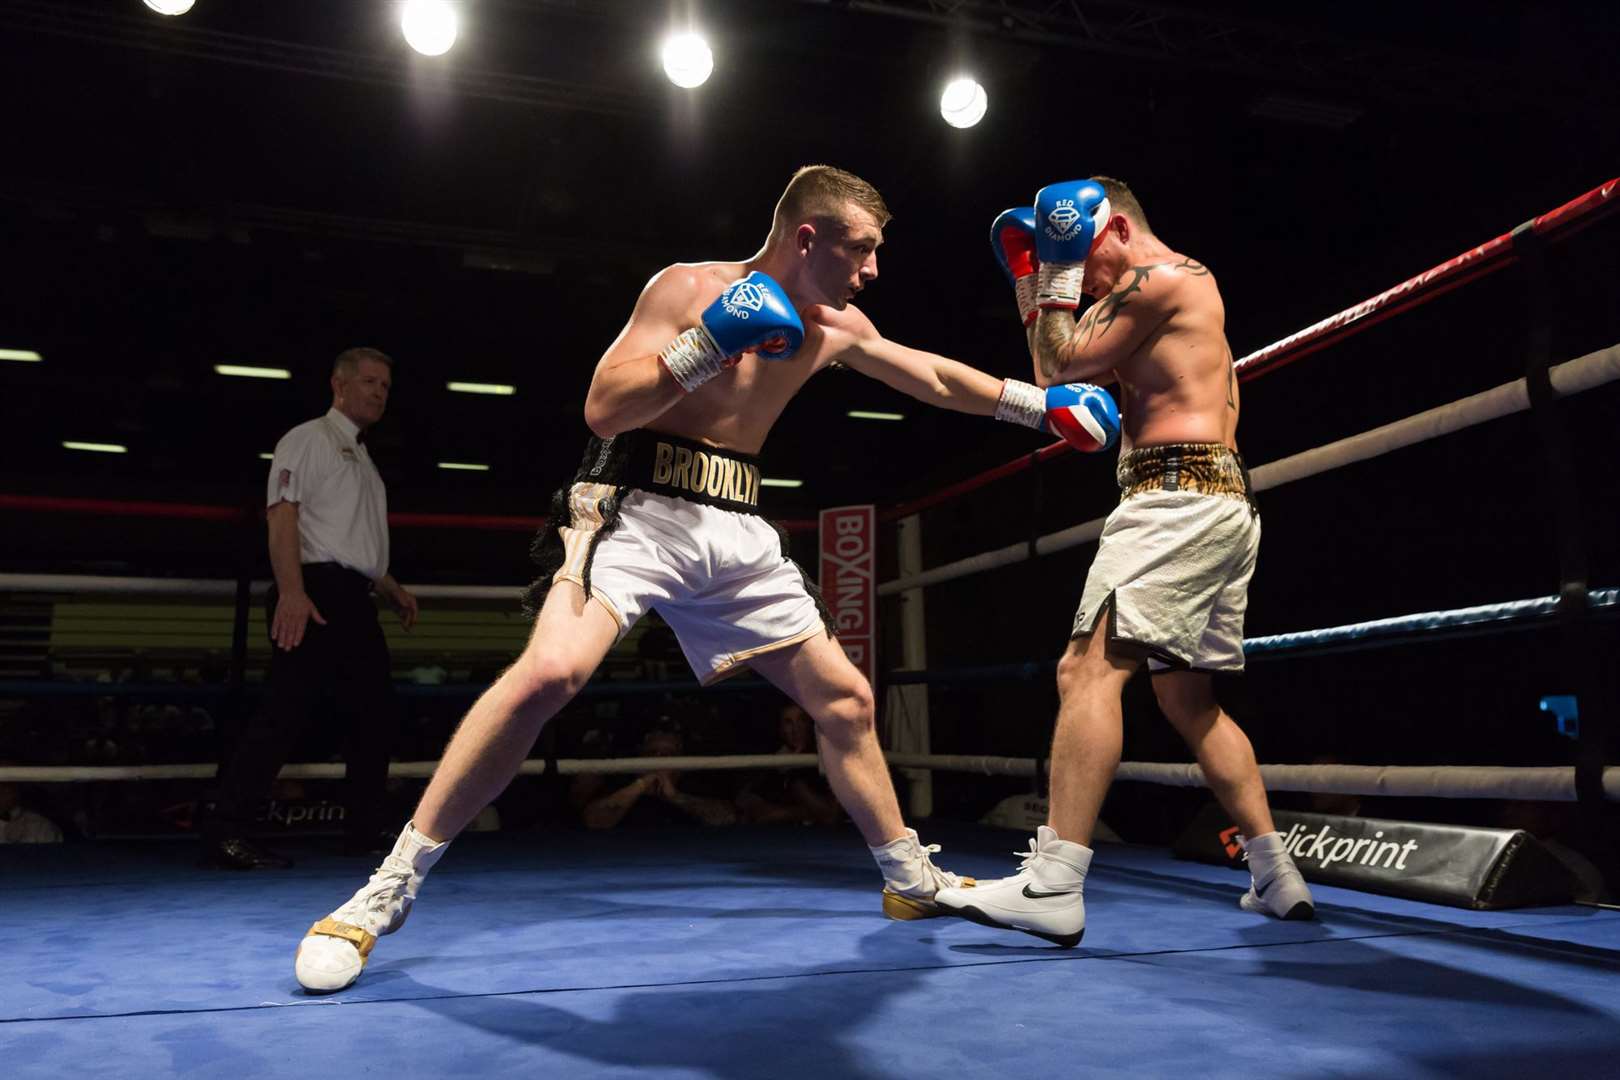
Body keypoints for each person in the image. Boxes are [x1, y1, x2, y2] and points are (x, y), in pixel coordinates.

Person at [293, 164, 1117, 993]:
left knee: (848, 702)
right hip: (635, 505)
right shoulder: (688, 288)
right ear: (808, 237)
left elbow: (931, 375)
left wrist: (1033, 406)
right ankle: (385, 891)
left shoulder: (836, 324)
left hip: (736, 522)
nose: (872, 270)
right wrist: (708, 342)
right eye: (861, 250)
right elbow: (605, 409)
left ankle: (911, 882)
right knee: (549, 673)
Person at [935, 178, 1313, 947]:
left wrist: (1049, 280)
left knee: (1085, 672)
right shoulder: (1155, 296)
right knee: (1189, 703)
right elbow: (1061, 366)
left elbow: (1054, 369)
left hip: (1173, 499)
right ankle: (1276, 874)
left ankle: (1055, 882)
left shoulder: (1164, 279)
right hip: (1214, 502)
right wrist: (1032, 281)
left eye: (1074, 253)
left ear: (1106, 229)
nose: (1080, 279)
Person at [199, 347, 418, 869]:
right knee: (284, 713)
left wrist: (388, 586)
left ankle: (363, 829)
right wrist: (293, 591)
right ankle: (226, 829)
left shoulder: (362, 456)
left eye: (385, 385)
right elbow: (283, 518)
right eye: (369, 381)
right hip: (316, 590)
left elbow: (346, 540)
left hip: (351, 596)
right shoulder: (307, 439)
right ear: (338, 385)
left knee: (373, 714)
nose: (379, 392)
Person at [574, 724, 739, 829]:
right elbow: (594, 821)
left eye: (669, 754)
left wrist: (675, 797)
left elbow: (727, 818)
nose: (660, 759)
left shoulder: (694, 785)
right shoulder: (622, 784)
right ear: (640, 757)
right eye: (652, 753)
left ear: (682, 760)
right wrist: (640, 786)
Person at [738, 702, 842, 826]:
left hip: (827, 841)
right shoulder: (776, 758)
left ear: (810, 724)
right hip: (785, 840)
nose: (795, 729)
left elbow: (830, 816)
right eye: (788, 722)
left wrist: (792, 772)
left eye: (801, 720)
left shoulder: (828, 755)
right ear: (781, 729)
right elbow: (756, 810)